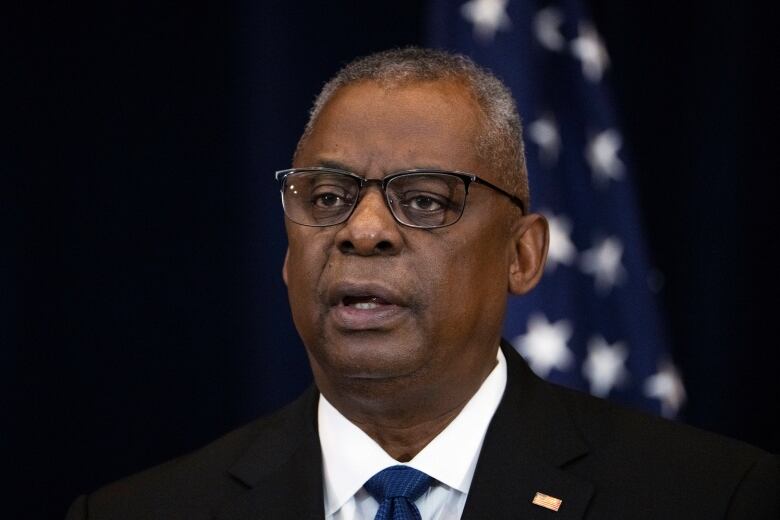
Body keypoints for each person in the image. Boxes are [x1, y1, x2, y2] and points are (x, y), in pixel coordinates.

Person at [66, 48, 778, 520]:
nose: (363, 230)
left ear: (522, 257)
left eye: (426, 200)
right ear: (288, 256)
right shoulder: (139, 512)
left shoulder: (716, 500)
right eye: (326, 199)